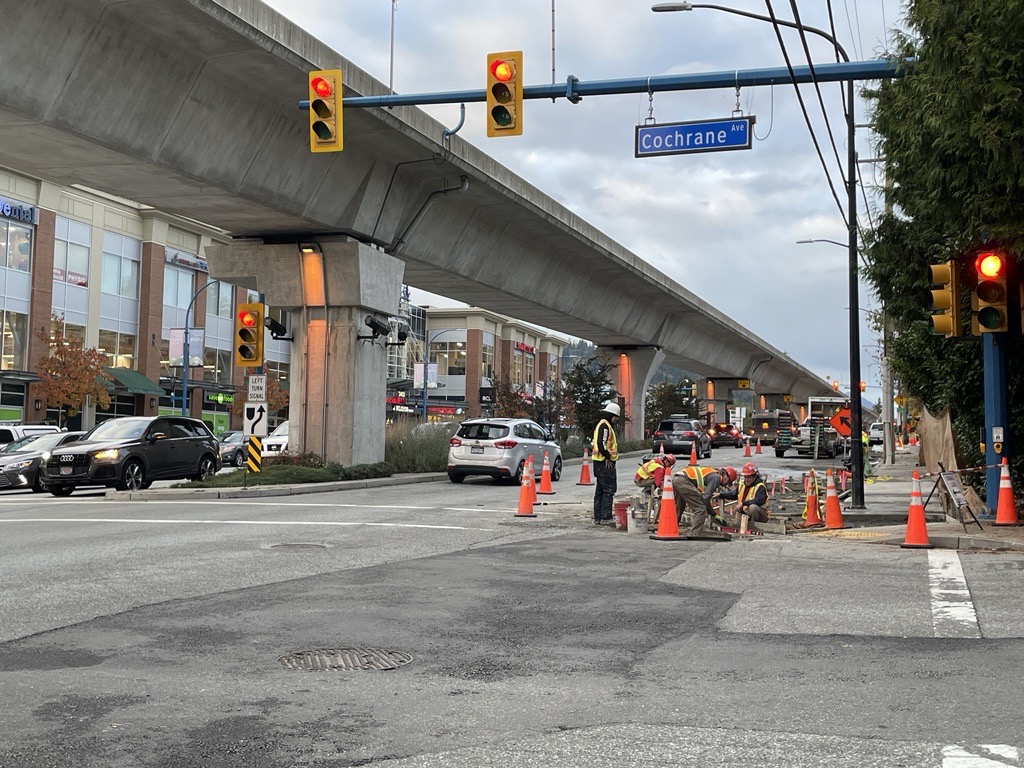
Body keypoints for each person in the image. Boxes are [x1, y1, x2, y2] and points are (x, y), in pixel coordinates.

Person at [673, 464, 738, 535]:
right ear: (725, 475)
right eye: (729, 482)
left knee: (678, 507)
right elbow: (705, 498)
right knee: (700, 508)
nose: (727, 485)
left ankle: (672, 528)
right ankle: (694, 533)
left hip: (676, 479)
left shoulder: (712, 472)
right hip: (684, 481)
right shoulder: (717, 478)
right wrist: (714, 514)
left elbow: (703, 496)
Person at [591, 401, 620, 525]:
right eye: (616, 416)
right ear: (611, 415)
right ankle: (605, 516)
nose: (616, 419)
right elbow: (601, 444)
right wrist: (607, 456)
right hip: (604, 463)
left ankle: (598, 517)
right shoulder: (605, 426)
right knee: (609, 489)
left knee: (601, 490)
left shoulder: (603, 425)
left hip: (600, 462)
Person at [719, 461, 770, 529]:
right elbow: (733, 494)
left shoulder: (760, 487)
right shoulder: (742, 484)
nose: (746, 479)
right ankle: (744, 525)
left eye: (749, 477)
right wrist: (720, 494)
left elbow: (758, 501)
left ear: (754, 477)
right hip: (745, 513)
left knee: (753, 508)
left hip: (761, 515)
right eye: (745, 477)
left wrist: (743, 503)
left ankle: (753, 527)